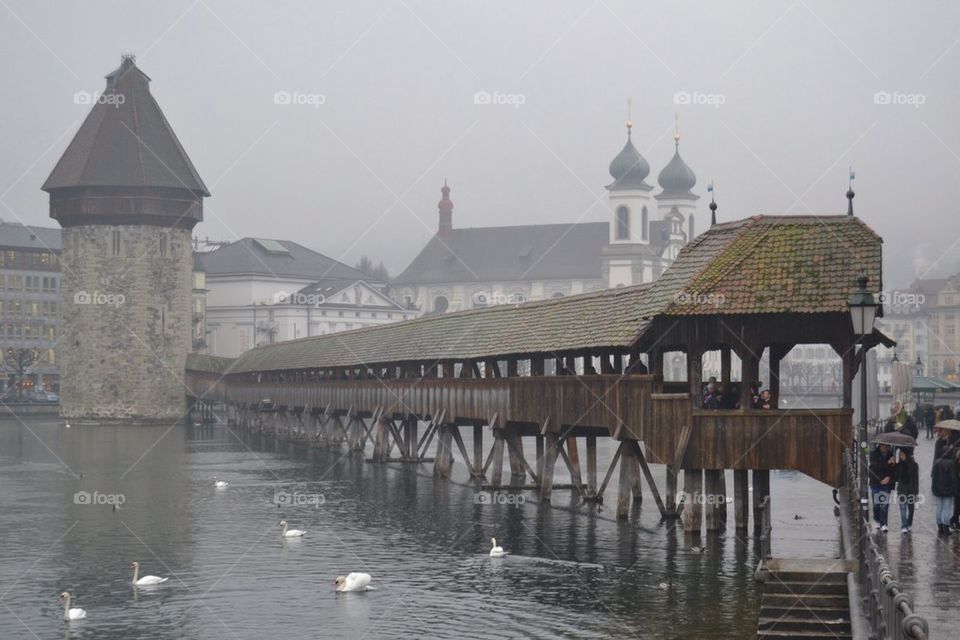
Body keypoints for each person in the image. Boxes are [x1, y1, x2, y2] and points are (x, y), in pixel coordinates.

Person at [932, 429, 958, 535]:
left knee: (939, 507)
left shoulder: (937, 462)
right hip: (948, 489)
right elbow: (953, 478)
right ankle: (946, 527)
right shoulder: (951, 464)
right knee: (947, 508)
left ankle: (939, 526)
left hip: (938, 487)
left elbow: (934, 476)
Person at [869, 443, 896, 532]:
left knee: (884, 505)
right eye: (883, 446)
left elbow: (893, 470)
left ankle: (884, 524)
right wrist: (887, 462)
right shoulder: (873, 454)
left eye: (887, 446)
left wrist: (889, 477)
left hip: (886, 484)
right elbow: (875, 468)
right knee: (876, 505)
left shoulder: (891, 454)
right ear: (880, 445)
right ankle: (877, 520)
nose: (885, 448)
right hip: (876, 483)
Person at [895, 448, 919, 533]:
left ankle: (909, 524)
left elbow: (916, 480)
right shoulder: (899, 464)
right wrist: (896, 465)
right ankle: (904, 526)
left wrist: (916, 492)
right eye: (900, 454)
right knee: (902, 508)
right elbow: (896, 477)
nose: (901, 456)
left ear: (906, 455)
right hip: (902, 489)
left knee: (911, 509)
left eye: (902, 454)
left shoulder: (914, 465)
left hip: (911, 489)